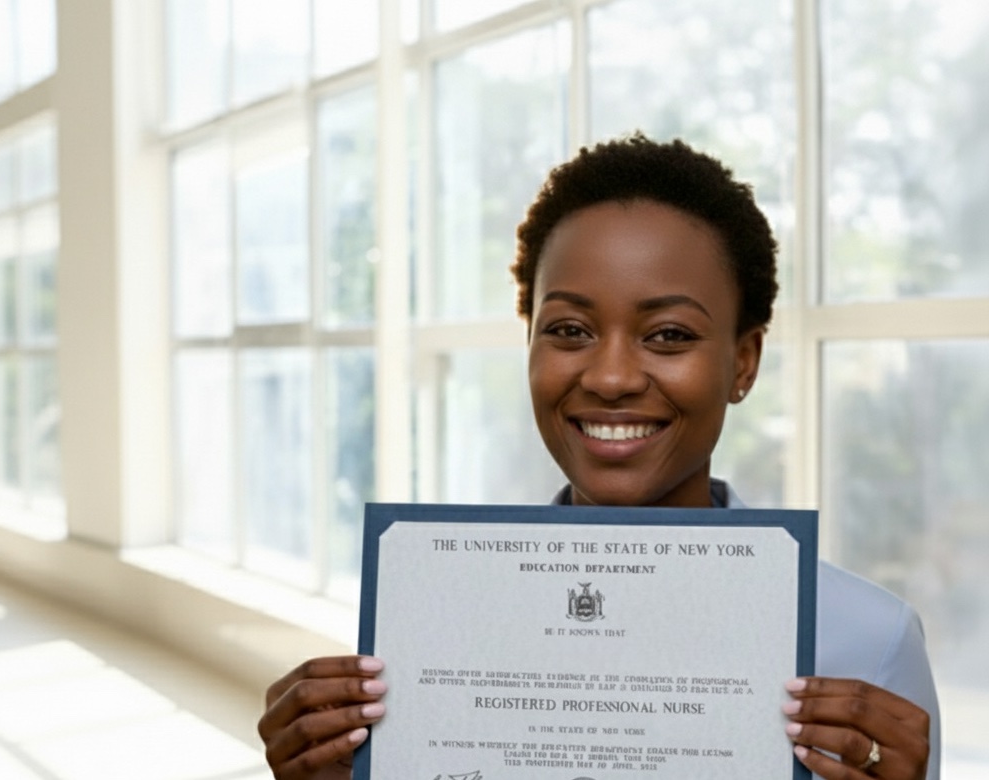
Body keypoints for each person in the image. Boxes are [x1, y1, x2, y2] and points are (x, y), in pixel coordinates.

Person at [257, 134, 940, 780]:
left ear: (743, 361)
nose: (611, 378)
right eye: (570, 330)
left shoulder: (868, 643)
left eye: (669, 334)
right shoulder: (433, 623)